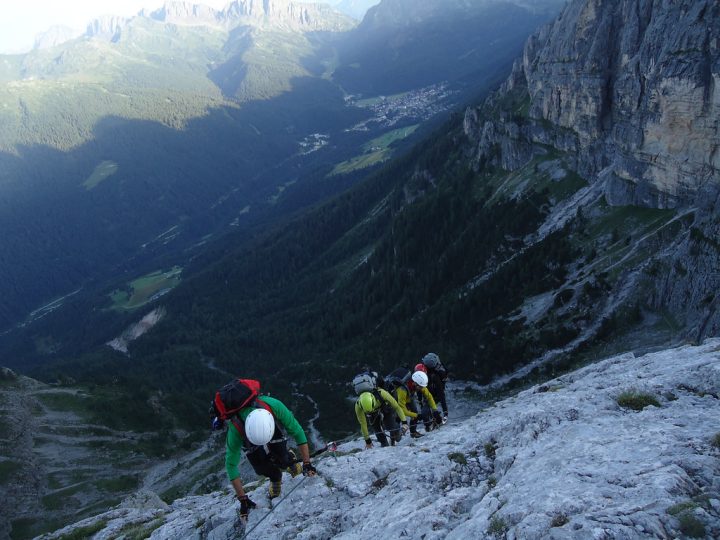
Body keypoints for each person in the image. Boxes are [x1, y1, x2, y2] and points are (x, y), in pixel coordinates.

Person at [211, 381, 317, 522]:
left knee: (281, 456)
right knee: (260, 466)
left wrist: (307, 462)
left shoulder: (273, 405)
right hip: (249, 435)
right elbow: (230, 464)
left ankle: (288, 459)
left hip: (270, 430)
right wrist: (243, 499)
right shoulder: (235, 429)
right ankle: (275, 478)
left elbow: (297, 431)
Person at [393, 370, 443, 436]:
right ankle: (394, 436)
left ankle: (413, 432)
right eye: (420, 387)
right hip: (399, 399)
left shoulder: (419, 385)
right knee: (400, 416)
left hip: (409, 397)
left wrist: (435, 410)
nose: (422, 389)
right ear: (414, 383)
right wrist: (417, 416)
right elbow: (402, 410)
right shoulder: (402, 390)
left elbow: (429, 397)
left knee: (415, 411)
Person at [421, 353, 449, 423]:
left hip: (433, 393)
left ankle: (435, 418)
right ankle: (435, 418)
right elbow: (442, 394)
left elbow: (441, 394)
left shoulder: (433, 376)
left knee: (428, 406)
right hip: (433, 393)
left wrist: (445, 412)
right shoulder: (439, 370)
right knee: (429, 406)